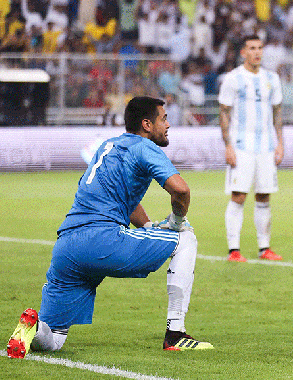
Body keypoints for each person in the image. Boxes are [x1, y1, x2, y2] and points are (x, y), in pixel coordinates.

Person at [6, 96, 213, 359]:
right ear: (147, 124)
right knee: (185, 238)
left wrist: (148, 226)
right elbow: (181, 190)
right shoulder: (144, 147)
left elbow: (122, 200)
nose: (168, 124)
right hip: (102, 239)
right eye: (164, 118)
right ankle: (176, 334)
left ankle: (32, 328)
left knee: (53, 338)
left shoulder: (107, 146)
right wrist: (175, 223)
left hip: (66, 246)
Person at [218, 34, 284, 262]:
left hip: (266, 146)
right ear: (243, 52)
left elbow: (277, 113)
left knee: (264, 196)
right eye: (252, 48)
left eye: (259, 48)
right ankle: (233, 249)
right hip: (241, 146)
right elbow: (224, 113)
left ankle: (264, 248)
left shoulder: (272, 78)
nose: (256, 52)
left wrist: (280, 143)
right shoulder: (233, 78)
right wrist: (227, 145)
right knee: (239, 196)